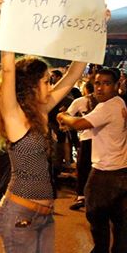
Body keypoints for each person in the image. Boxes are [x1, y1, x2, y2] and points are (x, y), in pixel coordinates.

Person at [0, 0, 90, 253]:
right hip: (20, 215)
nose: (51, 84)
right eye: (45, 80)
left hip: (44, 214)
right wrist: (6, 14)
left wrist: (94, 28)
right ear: (31, 85)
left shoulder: (41, 109)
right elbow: (8, 68)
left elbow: (72, 75)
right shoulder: (14, 117)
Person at [57, 68, 127, 253]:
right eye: (97, 83)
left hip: (105, 172)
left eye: (106, 83)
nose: (101, 88)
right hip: (120, 170)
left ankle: (101, 249)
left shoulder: (107, 106)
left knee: (95, 213)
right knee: (119, 220)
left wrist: (63, 115)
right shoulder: (119, 102)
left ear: (117, 85)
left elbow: (80, 124)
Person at [64, 82, 97, 211]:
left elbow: (67, 115)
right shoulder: (109, 103)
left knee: (83, 168)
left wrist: (64, 119)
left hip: (86, 139)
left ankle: (81, 196)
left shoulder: (80, 101)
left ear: (85, 89)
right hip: (101, 141)